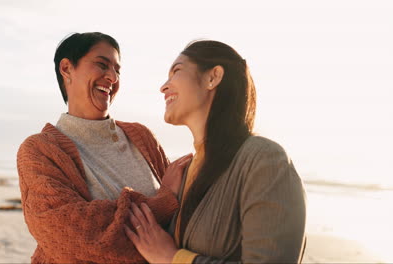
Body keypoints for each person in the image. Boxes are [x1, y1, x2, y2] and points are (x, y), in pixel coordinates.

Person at [125, 40, 307, 263]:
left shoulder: (264, 159)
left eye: (177, 71)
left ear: (213, 78)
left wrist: (173, 258)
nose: (164, 86)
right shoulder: (186, 171)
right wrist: (166, 195)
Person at [16, 32, 191, 264]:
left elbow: (181, 220)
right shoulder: (39, 151)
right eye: (102, 64)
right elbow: (76, 237)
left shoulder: (142, 137)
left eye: (117, 70)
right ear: (67, 68)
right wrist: (163, 203)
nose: (112, 77)